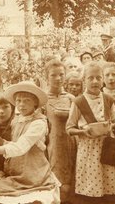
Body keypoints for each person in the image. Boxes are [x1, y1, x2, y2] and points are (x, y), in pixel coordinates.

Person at [0, 81, 61, 204]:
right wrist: (1, 140)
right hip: (17, 171)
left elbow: (20, 148)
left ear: (35, 102)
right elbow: (14, 144)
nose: (21, 104)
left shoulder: (39, 123)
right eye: (18, 101)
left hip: (33, 173)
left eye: (26, 100)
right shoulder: (17, 120)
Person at [66, 61, 115, 204]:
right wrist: (83, 131)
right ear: (84, 80)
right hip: (88, 150)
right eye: (90, 78)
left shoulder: (108, 99)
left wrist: (109, 126)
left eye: (98, 77)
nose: (95, 81)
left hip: (107, 148)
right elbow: (69, 128)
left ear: (103, 79)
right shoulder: (79, 102)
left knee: (109, 190)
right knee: (90, 190)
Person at [44, 59, 76, 203]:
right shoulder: (42, 99)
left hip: (70, 143)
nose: (58, 78)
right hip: (52, 144)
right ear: (46, 77)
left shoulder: (71, 98)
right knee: (55, 181)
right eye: (53, 75)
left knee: (71, 179)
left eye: (61, 74)